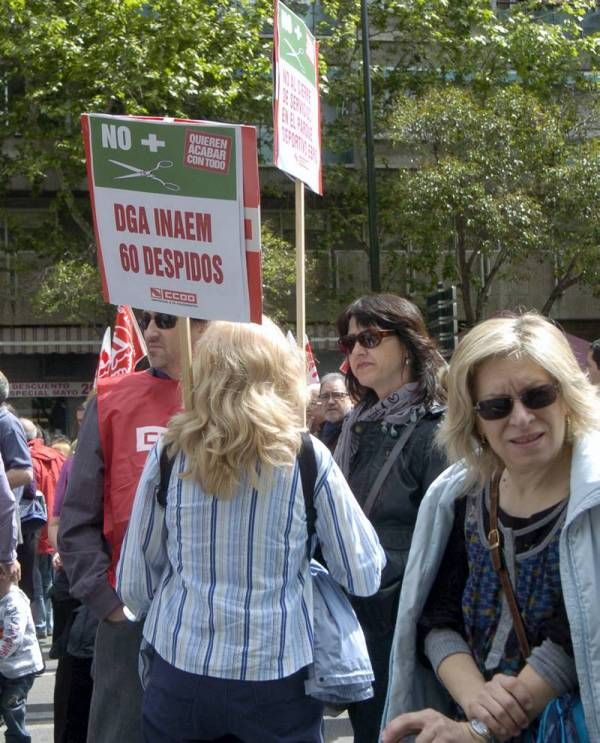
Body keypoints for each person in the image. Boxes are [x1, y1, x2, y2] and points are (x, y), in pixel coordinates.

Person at [116, 320, 386, 743]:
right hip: (277, 678)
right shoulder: (306, 456)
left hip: (179, 674)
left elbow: (134, 584)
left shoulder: (169, 451)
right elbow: (363, 574)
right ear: (280, 375)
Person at [382, 313, 600, 743]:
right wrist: (477, 701)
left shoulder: (593, 495)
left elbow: (579, 634)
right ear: (474, 419)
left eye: (538, 396)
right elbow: (435, 618)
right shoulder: (458, 495)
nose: (521, 418)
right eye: (497, 406)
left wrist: (483, 727)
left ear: (567, 397)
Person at [58, 312, 206, 743]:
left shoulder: (234, 401)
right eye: (146, 321)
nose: (151, 331)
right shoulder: (111, 400)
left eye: (165, 320)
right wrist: (108, 605)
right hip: (130, 614)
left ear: (202, 326)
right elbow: (76, 519)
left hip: (214, 616)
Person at [333, 293, 447, 743]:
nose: (358, 350)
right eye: (349, 343)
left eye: (370, 338)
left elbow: (447, 540)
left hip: (406, 624)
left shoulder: (436, 429)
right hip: (358, 612)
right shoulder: (354, 424)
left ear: (407, 344)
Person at [20, 418, 66, 639]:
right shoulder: (57, 456)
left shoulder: (26, 459)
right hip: (58, 527)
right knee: (51, 578)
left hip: (34, 526)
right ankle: (51, 624)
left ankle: (40, 625)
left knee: (35, 580)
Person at [0, 567, 44, 743]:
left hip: (21, 669)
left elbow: (11, 640)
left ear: (2, 575)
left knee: (11, 706)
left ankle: (18, 739)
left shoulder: (14, 604)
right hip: (5, 667)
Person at [317, 372, 353, 452]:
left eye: (337, 395)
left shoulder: (356, 430)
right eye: (325, 396)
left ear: (350, 398)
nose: (330, 402)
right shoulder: (320, 431)